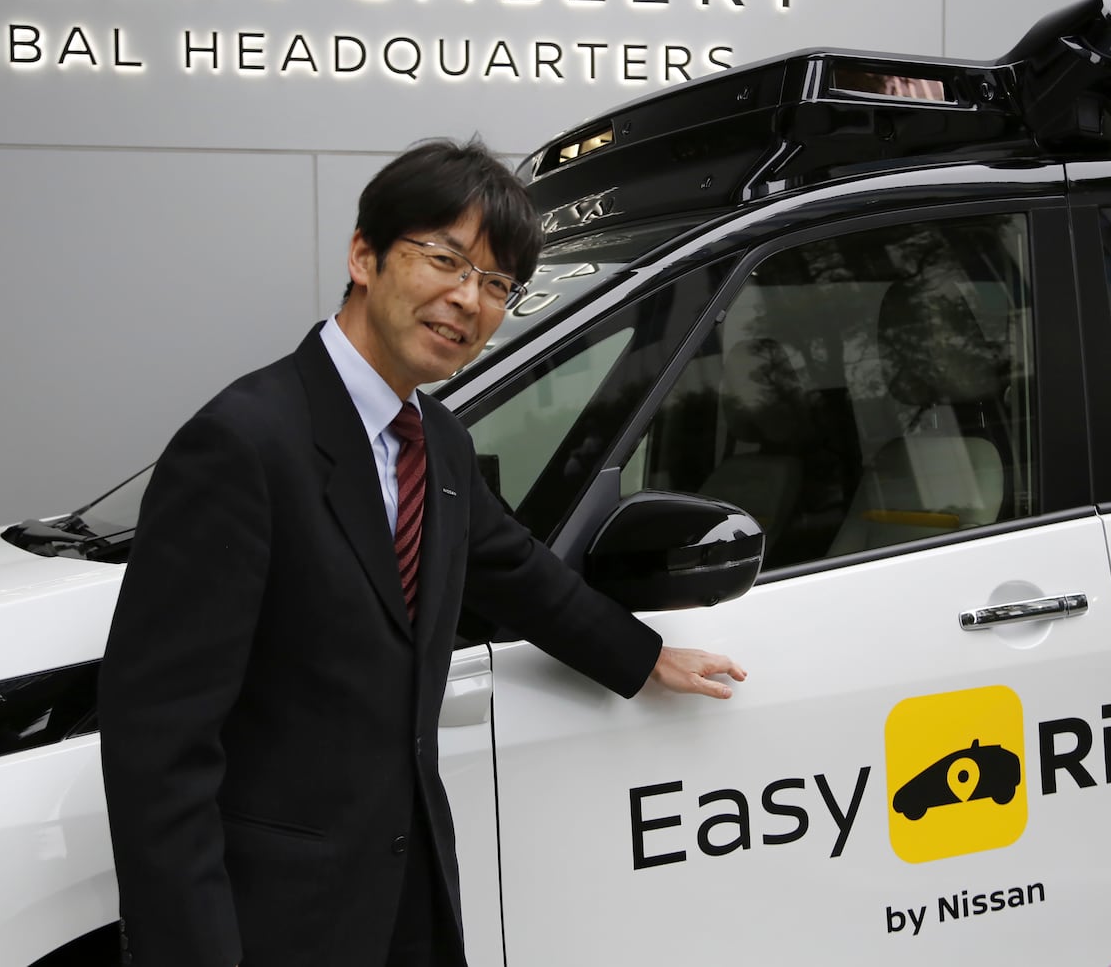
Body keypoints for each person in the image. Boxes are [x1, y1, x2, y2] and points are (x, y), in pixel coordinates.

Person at [98, 138, 746, 967]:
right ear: (363, 255)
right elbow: (158, 743)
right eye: (445, 259)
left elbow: (513, 567)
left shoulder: (433, 439)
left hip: (408, 896)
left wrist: (644, 655)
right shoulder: (243, 445)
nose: (467, 299)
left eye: (496, 283)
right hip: (279, 921)